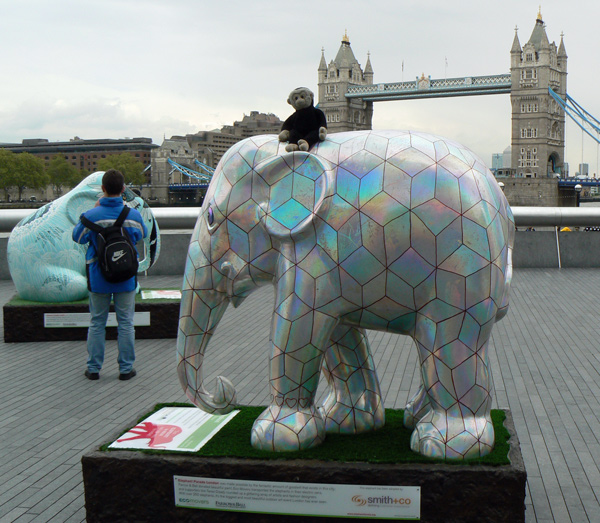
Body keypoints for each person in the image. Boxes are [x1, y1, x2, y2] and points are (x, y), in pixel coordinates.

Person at [73, 169, 147, 381]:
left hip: (98, 278)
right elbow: (140, 235)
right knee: (126, 323)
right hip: (125, 277)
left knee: (97, 322)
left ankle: (94, 368)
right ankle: (126, 369)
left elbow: (77, 237)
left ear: (103, 189)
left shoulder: (91, 216)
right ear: (123, 189)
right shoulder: (132, 215)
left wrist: (93, 212)